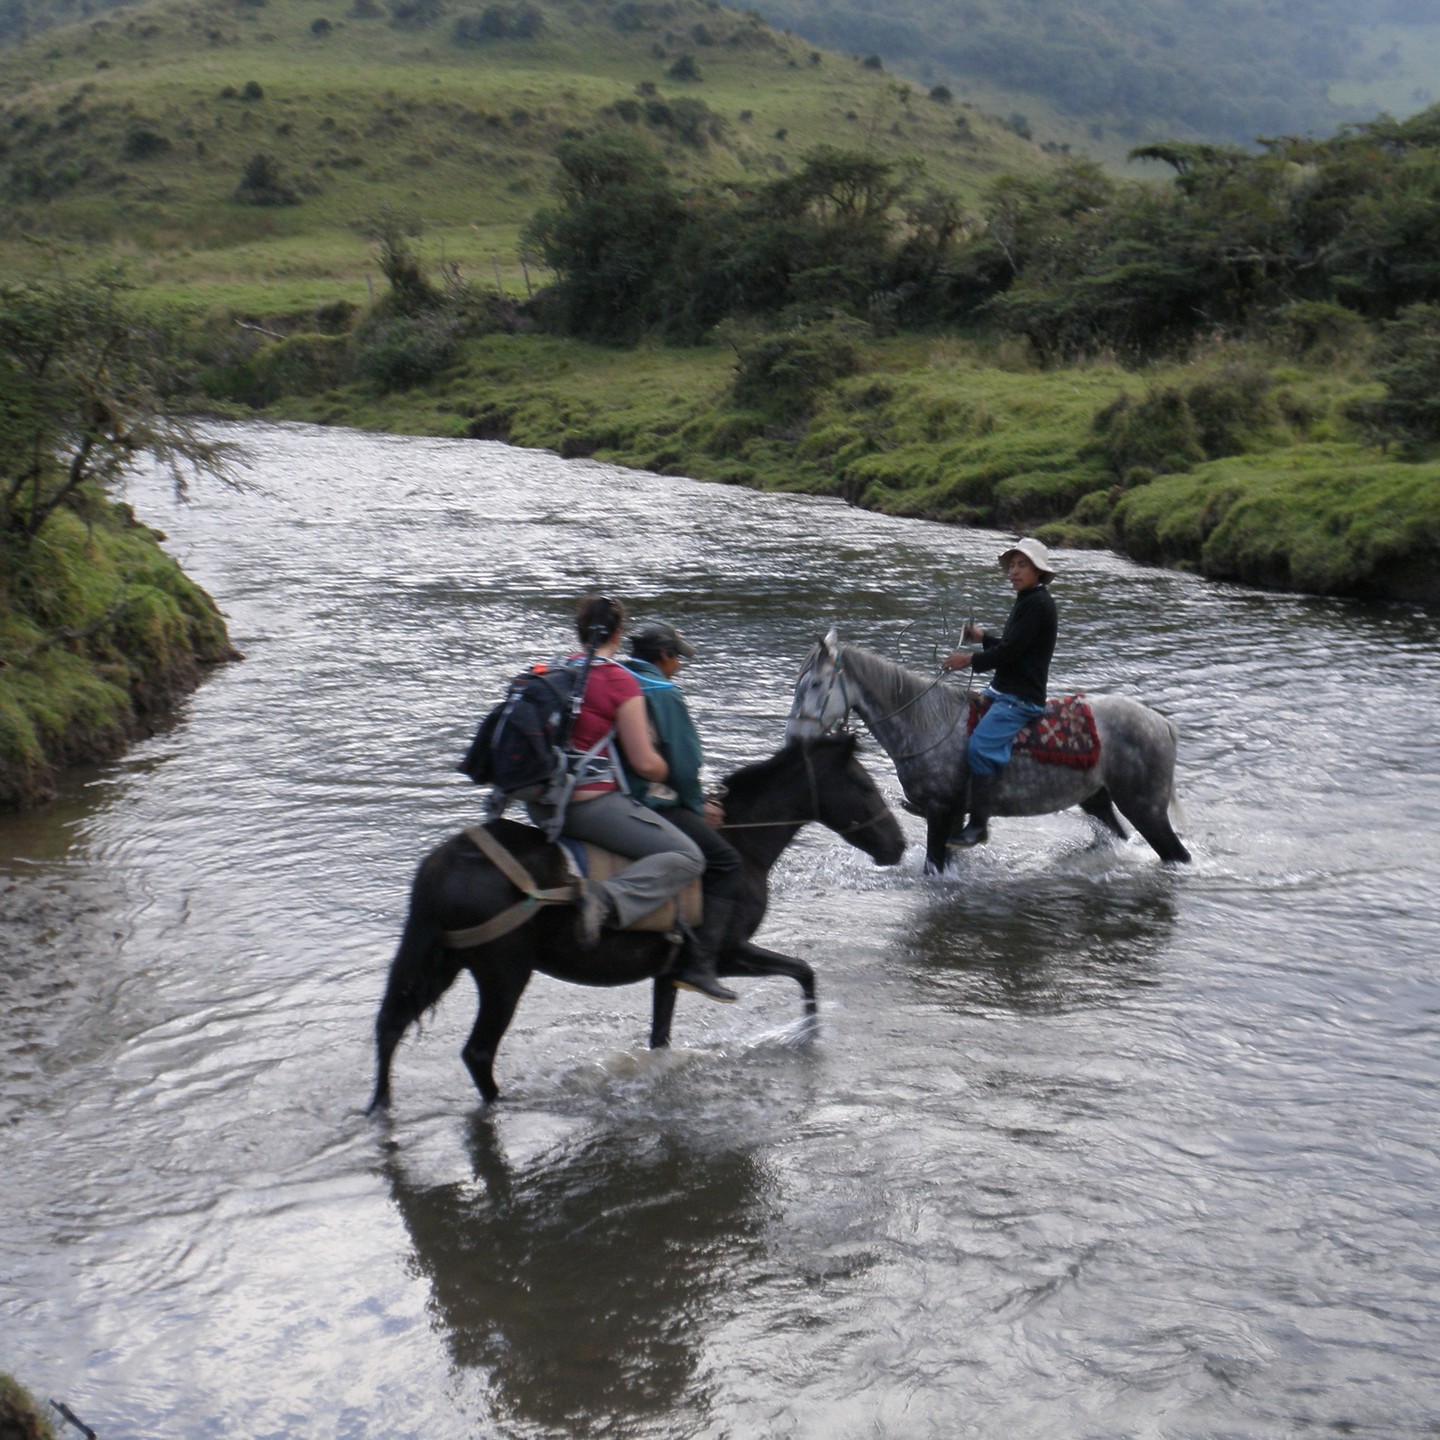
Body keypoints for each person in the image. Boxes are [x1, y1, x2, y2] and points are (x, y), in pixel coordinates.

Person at [522, 597, 729, 1003]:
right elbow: (646, 763)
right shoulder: (619, 682)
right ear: (618, 634)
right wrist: (672, 776)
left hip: (539, 801)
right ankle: (605, 899)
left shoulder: (561, 667)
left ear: (581, 632)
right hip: (586, 806)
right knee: (688, 857)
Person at [623, 620, 745, 1005]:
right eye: (677, 658)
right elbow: (683, 764)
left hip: (610, 794)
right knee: (726, 862)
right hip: (651, 802)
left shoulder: (616, 678)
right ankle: (699, 963)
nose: (678, 665)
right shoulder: (662, 692)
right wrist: (697, 806)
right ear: (662, 657)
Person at [940, 537, 1059, 847]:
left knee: (979, 746)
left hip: (1020, 698)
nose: (1013, 572)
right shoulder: (1029, 599)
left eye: (1022, 566)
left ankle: (978, 825)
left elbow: (1011, 653)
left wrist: (968, 660)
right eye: (1012, 566)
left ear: (1038, 571)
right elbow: (1013, 646)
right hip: (1002, 690)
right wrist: (983, 638)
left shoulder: (1039, 604)